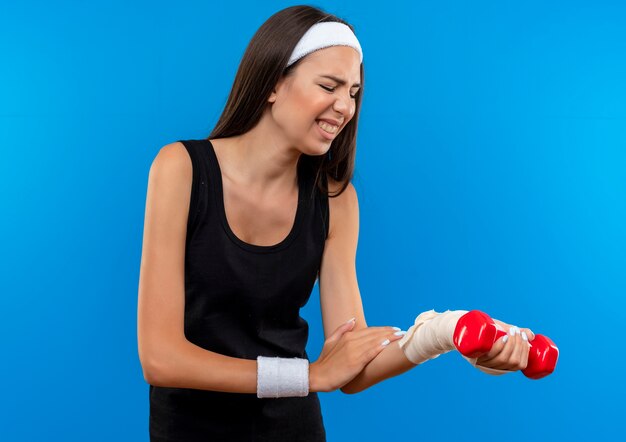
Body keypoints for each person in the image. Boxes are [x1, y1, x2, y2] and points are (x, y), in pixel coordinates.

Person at [137, 5, 535, 441]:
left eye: (354, 93)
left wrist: (448, 335)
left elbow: (351, 365)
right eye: (330, 86)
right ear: (273, 82)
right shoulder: (180, 168)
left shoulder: (336, 200)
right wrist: (306, 376)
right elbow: (161, 358)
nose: (344, 107)